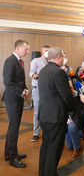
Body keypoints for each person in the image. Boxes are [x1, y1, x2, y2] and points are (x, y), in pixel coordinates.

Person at [38, 47, 76, 176]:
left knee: (46, 146)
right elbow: (66, 96)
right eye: (63, 56)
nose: (64, 59)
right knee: (54, 149)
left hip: (44, 115)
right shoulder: (59, 73)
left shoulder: (43, 70)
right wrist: (73, 109)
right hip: (56, 117)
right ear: (59, 57)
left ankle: (43, 172)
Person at [2, 40, 29, 168]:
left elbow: (20, 80)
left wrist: (26, 89)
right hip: (12, 98)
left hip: (18, 97)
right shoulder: (10, 61)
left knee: (14, 126)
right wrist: (21, 92)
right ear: (18, 48)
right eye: (26, 49)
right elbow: (8, 82)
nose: (27, 52)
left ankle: (8, 152)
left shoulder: (20, 61)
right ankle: (13, 157)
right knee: (14, 127)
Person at [29, 45, 50, 142]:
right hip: (37, 89)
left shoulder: (51, 62)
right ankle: (36, 133)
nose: (47, 52)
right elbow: (31, 74)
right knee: (37, 111)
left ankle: (47, 132)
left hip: (48, 90)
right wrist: (36, 76)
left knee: (48, 111)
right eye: (46, 51)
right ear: (42, 52)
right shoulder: (36, 61)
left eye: (49, 51)